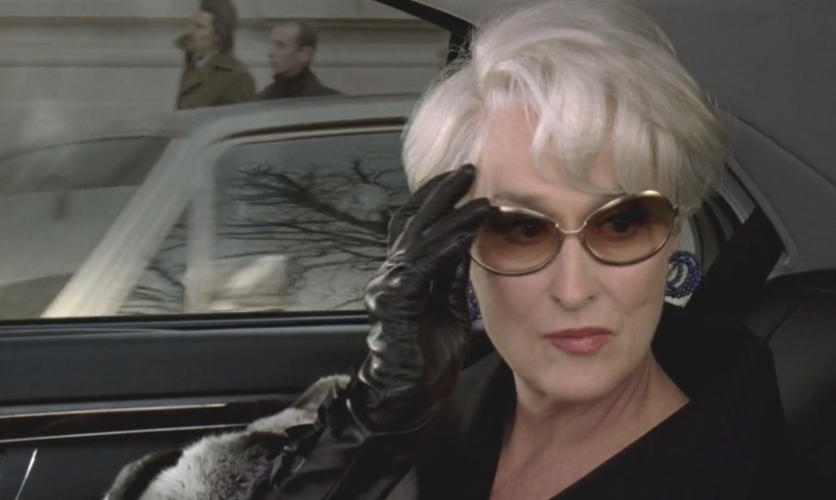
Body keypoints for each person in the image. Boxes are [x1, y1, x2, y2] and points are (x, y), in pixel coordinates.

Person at [103, 1, 798, 499]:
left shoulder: (721, 470)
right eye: (521, 229)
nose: (574, 287)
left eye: (620, 225)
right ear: (450, 249)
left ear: (670, 235)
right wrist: (369, 425)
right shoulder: (429, 413)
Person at [175, 0, 257, 110]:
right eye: (193, 24)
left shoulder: (237, 78)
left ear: (218, 36)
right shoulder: (193, 65)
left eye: (200, 27)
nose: (191, 32)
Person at [260, 20, 341, 101]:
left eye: (281, 46)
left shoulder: (329, 102)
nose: (270, 53)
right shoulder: (263, 98)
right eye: (273, 45)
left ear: (305, 54)